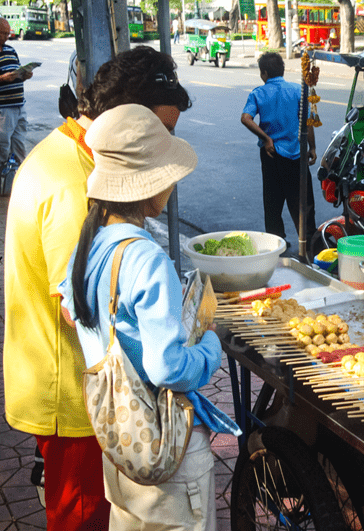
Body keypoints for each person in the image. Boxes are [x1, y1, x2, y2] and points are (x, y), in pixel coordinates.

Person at [4, 45, 192, 531]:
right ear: (127, 124)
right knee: (82, 520)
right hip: (74, 399)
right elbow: (86, 306)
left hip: (84, 392)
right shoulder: (73, 182)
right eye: (163, 132)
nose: (166, 145)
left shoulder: (78, 156)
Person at [59, 103, 240, 530]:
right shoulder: (146, 258)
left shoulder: (89, 243)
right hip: (168, 455)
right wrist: (211, 342)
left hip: (121, 442)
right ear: (146, 185)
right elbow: (169, 368)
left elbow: (73, 313)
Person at [241, 51, 317, 250]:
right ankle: (308, 242)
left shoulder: (258, 93)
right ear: (282, 70)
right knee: (303, 199)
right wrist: (313, 147)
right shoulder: (297, 91)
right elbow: (307, 122)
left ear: (264, 73)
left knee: (272, 200)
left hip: (271, 154)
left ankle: (277, 243)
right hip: (296, 154)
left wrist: (266, 138)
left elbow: (245, 118)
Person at [0, 17, 33, 169]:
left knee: (19, 144)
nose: (7, 36)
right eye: (3, 33)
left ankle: (16, 175)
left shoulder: (11, 50)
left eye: (8, 33)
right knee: (3, 145)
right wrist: (3, 78)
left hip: (19, 104)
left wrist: (24, 75)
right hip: (4, 108)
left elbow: (18, 70)